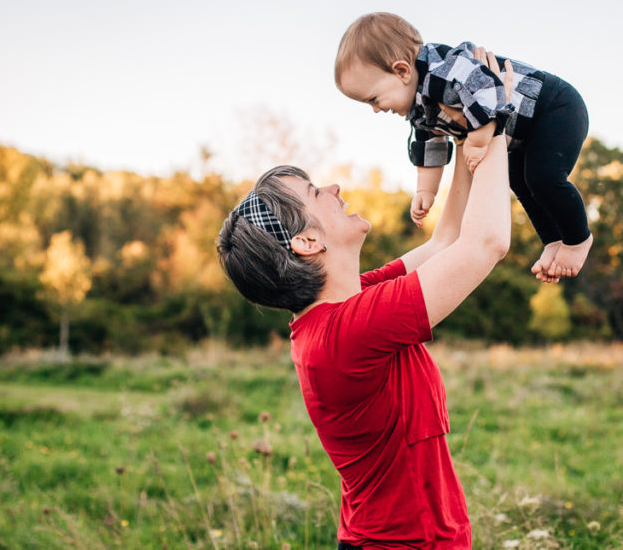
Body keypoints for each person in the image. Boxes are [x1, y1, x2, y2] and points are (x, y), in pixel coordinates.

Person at [217, 51, 512, 549]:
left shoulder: (351, 304)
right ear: (307, 243)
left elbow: (447, 242)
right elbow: (486, 245)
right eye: (315, 193)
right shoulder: (347, 332)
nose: (333, 187)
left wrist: (467, 126)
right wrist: (496, 118)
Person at [335, 12, 593, 282]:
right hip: (521, 133)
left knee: (543, 177)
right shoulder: (418, 105)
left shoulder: (445, 70)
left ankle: (578, 239)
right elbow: (430, 142)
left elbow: (489, 89)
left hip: (553, 108)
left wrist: (478, 140)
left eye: (374, 99)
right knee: (521, 181)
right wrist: (426, 190)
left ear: (401, 71)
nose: (376, 110)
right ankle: (552, 239)